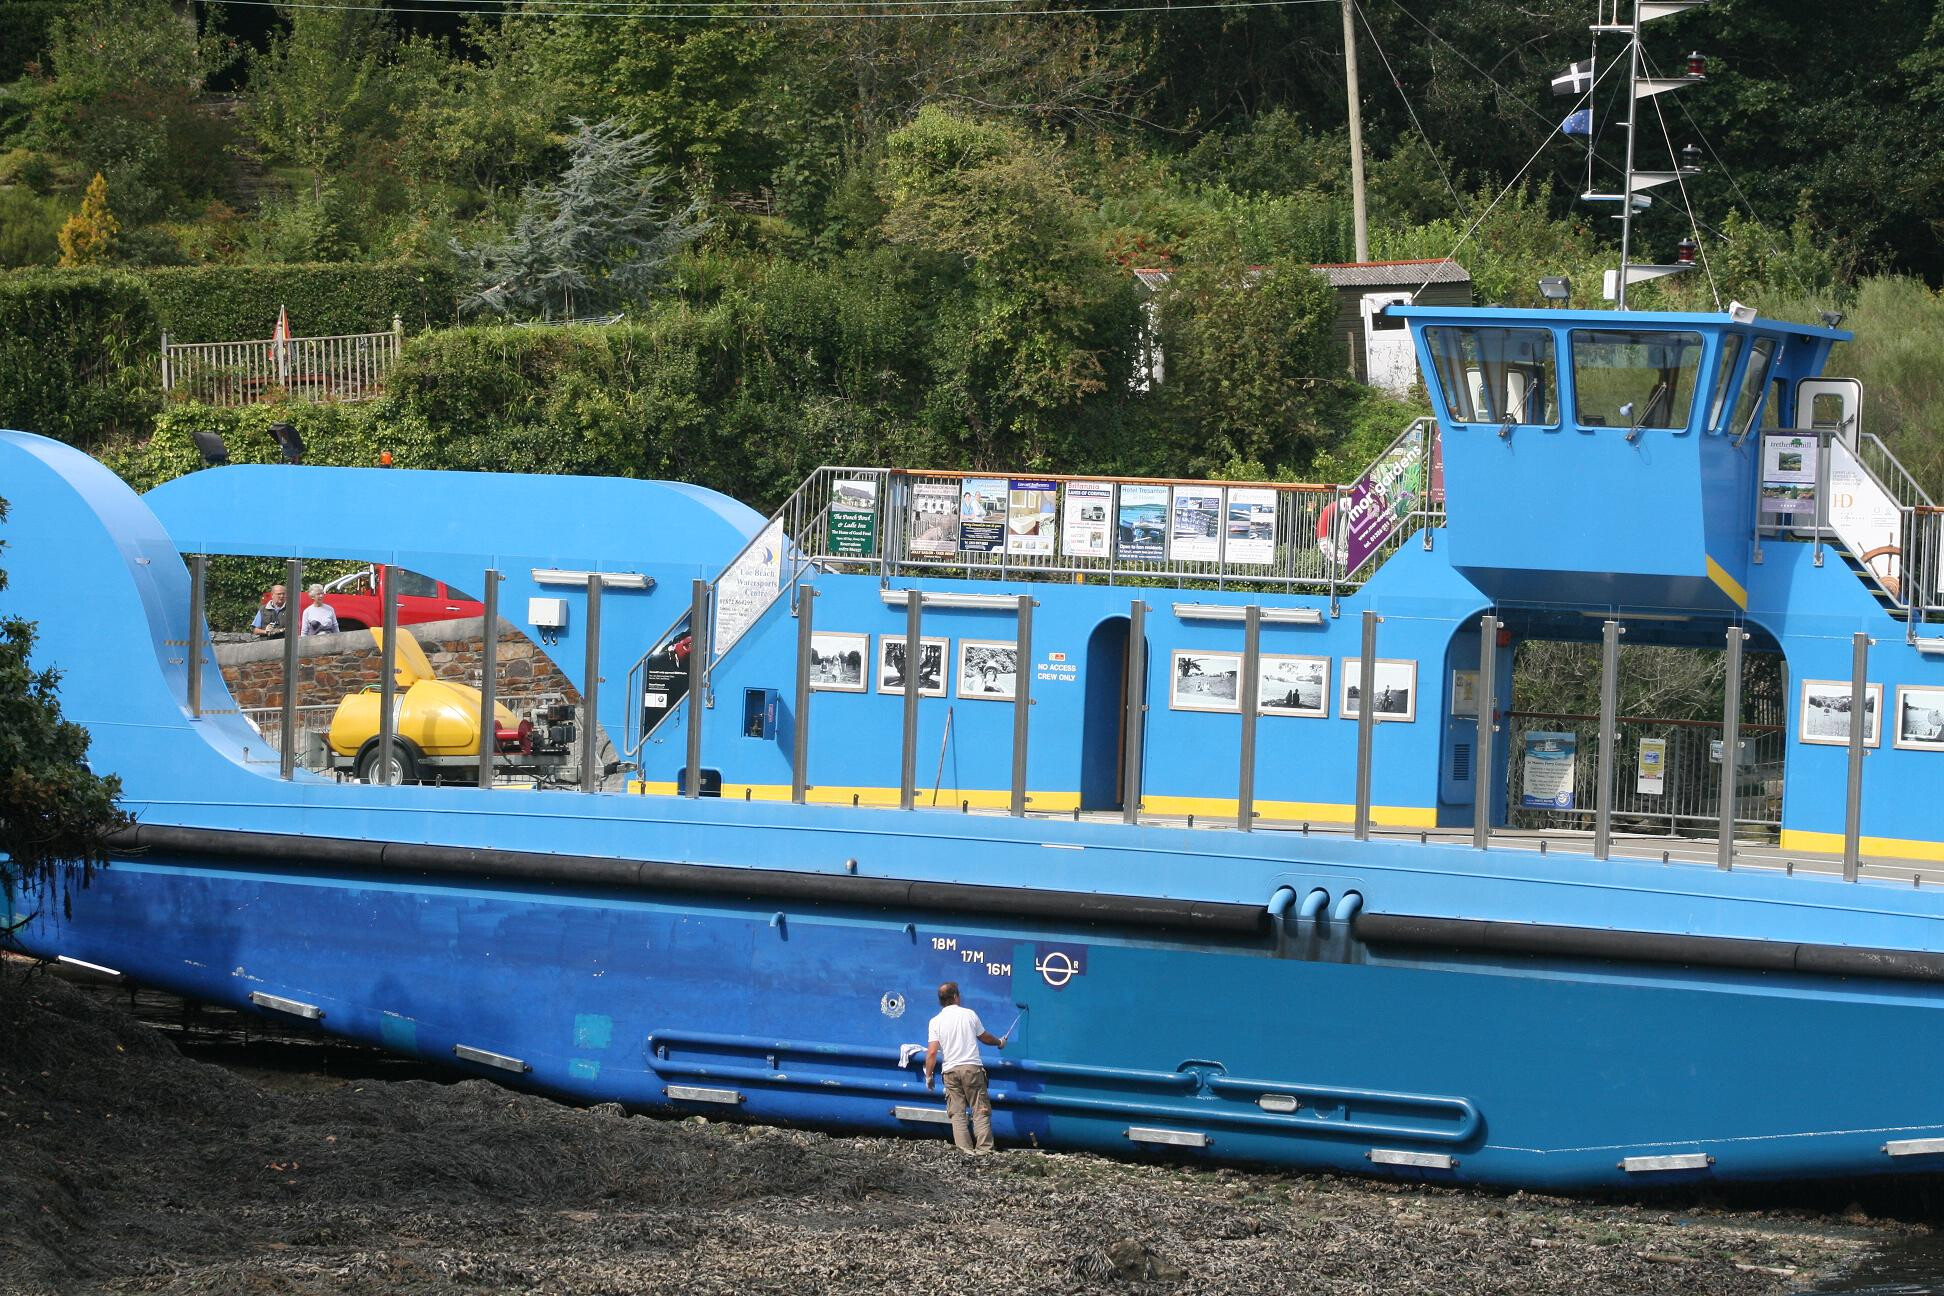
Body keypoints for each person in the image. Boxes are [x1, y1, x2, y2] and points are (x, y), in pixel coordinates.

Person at [923, 981, 1005, 1154]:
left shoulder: (935, 1022)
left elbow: (931, 1053)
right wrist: (999, 1042)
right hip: (972, 1068)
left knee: (957, 1114)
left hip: (950, 1071)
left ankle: (964, 1151)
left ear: (940, 1001)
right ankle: (984, 1150)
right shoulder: (969, 1015)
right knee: (980, 1109)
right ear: (956, 997)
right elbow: (984, 1037)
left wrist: (929, 1077)